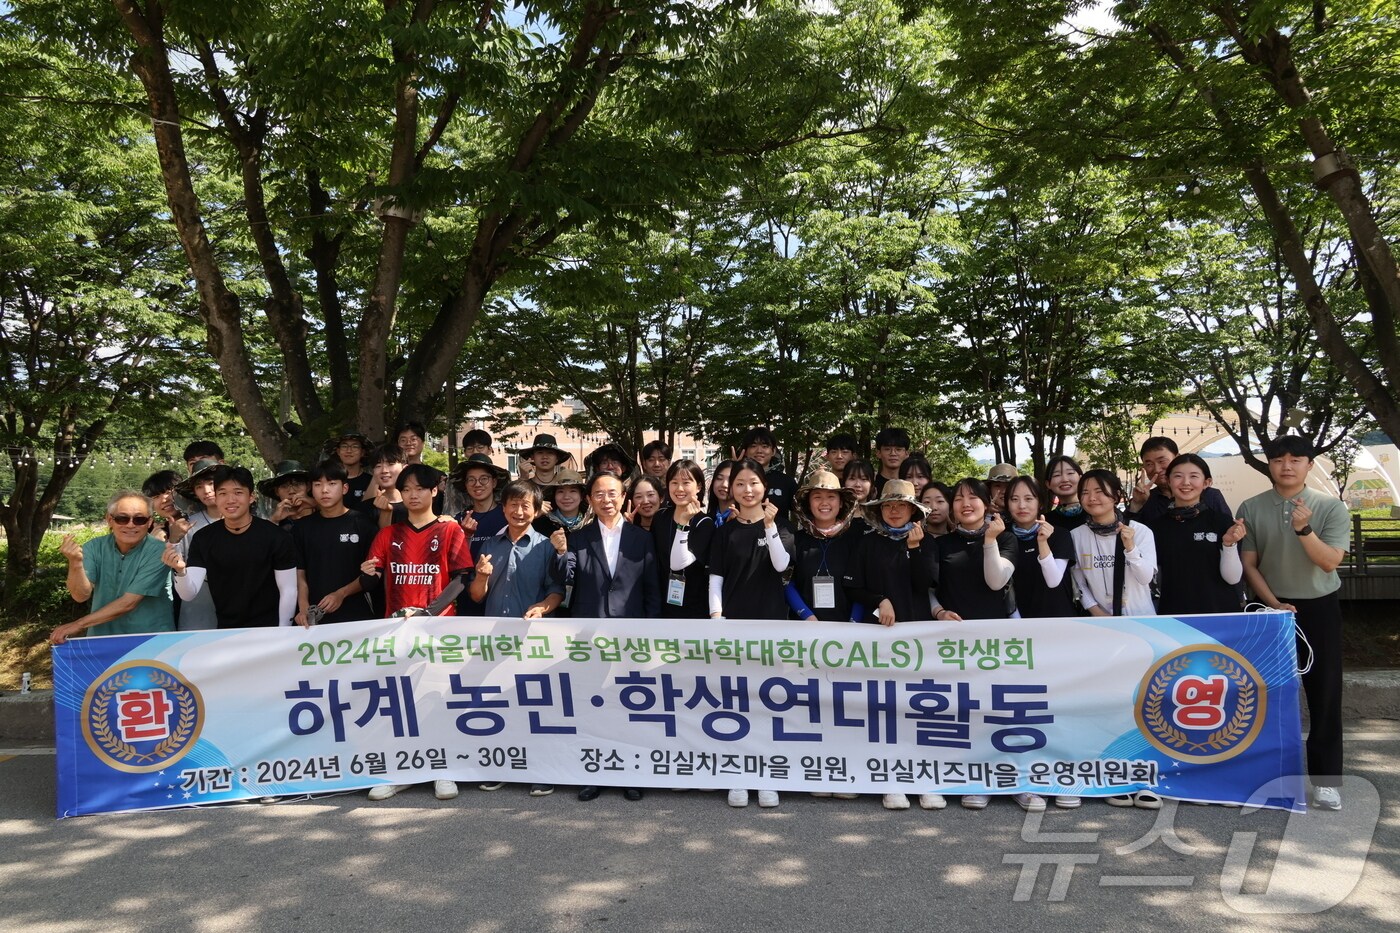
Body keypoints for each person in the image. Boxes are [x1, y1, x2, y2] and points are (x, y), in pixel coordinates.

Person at [1237, 436, 1349, 811]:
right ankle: (1265, 776)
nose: (1287, 465)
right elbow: (1249, 563)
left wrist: (1304, 529)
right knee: (1264, 695)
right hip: (1270, 608)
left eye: (1296, 459)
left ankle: (1327, 781)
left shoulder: (1330, 507)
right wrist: (1273, 603)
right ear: (1269, 465)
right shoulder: (1251, 507)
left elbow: (1330, 562)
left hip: (1318, 606)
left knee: (1325, 693)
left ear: (1309, 465)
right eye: (1279, 459)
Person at [359, 462, 472, 803]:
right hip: (397, 629)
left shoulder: (450, 531)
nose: (412, 495)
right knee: (400, 702)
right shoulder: (388, 534)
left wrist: (429, 612)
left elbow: (461, 578)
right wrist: (367, 574)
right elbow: (371, 579)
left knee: (437, 700)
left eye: (419, 488)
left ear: (434, 491)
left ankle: (443, 769)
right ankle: (401, 771)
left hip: (440, 630)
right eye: (405, 489)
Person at [552, 471, 660, 803]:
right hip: (589, 632)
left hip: (631, 634)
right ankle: (593, 773)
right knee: (593, 705)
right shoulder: (579, 537)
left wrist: (651, 634)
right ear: (590, 499)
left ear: (624, 496)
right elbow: (565, 578)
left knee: (629, 706)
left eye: (612, 493)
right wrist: (559, 554)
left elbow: (652, 591)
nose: (606, 499)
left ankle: (631, 773)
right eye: (599, 494)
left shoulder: (641, 538)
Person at [1066, 469, 1160, 811]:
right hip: (1101, 630)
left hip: (1140, 626)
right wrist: (1096, 613)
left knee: (1142, 701)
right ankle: (1113, 775)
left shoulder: (1141, 531)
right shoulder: (1076, 535)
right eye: (1086, 492)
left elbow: (1145, 576)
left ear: (1117, 495)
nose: (1092, 498)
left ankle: (1147, 778)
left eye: (1100, 491)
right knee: (1108, 703)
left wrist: (1131, 548)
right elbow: (1077, 580)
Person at [848, 479, 942, 811]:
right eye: (889, 505)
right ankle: (891, 781)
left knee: (919, 709)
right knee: (885, 710)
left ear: (913, 510)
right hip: (879, 637)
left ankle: (924, 779)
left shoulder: (926, 541)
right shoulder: (867, 543)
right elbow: (854, 587)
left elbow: (926, 584)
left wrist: (916, 551)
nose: (894, 511)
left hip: (918, 638)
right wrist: (880, 601)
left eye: (901, 505)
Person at [706, 458, 794, 809]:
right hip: (733, 627)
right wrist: (716, 615)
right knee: (735, 703)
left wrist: (770, 527)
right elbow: (716, 577)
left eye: (753, 483)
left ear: (764, 487)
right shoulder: (725, 529)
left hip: (771, 624)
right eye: (739, 483)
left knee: (768, 703)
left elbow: (782, 565)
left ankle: (768, 776)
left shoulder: (782, 525)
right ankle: (738, 775)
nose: (747, 489)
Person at [470, 479, 566, 798]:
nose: (519, 510)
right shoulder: (490, 546)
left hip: (532, 639)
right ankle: (503, 767)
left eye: (526, 505)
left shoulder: (545, 547)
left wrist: (542, 607)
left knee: (535, 705)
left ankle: (541, 770)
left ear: (536, 510)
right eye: (513, 504)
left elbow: (557, 590)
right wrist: (482, 577)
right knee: (500, 704)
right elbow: (476, 596)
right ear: (503, 508)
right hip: (494, 638)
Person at [163, 466, 301, 630]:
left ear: (251, 497)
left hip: (269, 630)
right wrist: (180, 571)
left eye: (238, 492)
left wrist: (283, 630)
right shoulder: (203, 538)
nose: (230, 500)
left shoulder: (276, 537)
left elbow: (289, 590)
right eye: (222, 493)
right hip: (226, 630)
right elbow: (189, 593)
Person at [51, 490, 174, 643]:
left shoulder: (160, 551)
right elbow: (80, 596)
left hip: (149, 640)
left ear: (149, 522)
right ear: (109, 519)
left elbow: (129, 602)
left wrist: (78, 624)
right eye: (122, 518)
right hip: (102, 639)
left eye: (139, 519)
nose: (130, 525)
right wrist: (75, 563)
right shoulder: (93, 547)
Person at [1148, 454, 1245, 615]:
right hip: (1174, 616)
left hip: (1220, 613)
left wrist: (1229, 544)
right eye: (1178, 476)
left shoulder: (1223, 522)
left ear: (1207, 482)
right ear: (1169, 481)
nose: (1186, 482)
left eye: (1194, 476)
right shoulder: (1156, 527)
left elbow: (1233, 578)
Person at [291, 461, 380, 625]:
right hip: (312, 618)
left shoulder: (363, 524)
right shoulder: (302, 527)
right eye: (318, 484)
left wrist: (342, 593)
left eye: (332, 484)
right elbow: (300, 572)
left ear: (344, 488)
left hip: (356, 617)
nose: (324, 490)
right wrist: (303, 607)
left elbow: (373, 573)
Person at [785, 470, 862, 625]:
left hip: (848, 632)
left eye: (831, 497)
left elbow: (861, 587)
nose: (824, 502)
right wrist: (807, 616)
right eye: (817, 497)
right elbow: (787, 584)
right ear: (808, 503)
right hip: (804, 630)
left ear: (841, 503)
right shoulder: (795, 540)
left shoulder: (855, 541)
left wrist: (854, 624)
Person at [1004, 476, 1076, 620]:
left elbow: (1053, 580)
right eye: (1014, 499)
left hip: (1061, 621)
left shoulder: (1060, 534)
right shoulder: (1002, 537)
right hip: (1020, 626)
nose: (1022, 505)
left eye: (1029, 499)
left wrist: (1043, 542)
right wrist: (1018, 623)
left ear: (1040, 503)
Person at [653, 459, 714, 619]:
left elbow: (678, 564)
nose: (679, 489)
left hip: (694, 606)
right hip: (661, 602)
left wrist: (683, 524)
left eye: (686, 483)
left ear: (699, 486)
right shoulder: (660, 516)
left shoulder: (704, 523)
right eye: (674, 483)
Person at [450, 454, 510, 615]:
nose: (478, 484)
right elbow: (452, 562)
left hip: (502, 596)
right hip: (467, 597)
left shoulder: (508, 516)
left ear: (494, 482)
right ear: (465, 484)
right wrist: (465, 535)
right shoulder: (458, 519)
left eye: (484, 479)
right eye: (471, 480)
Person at [168, 458, 221, 631]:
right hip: (198, 602)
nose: (206, 491)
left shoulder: (249, 521)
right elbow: (176, 563)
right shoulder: (187, 525)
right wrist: (173, 539)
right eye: (199, 486)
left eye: (211, 483)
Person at [1127, 436, 1232, 524]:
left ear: (1177, 458)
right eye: (1149, 464)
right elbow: (1127, 536)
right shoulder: (1145, 500)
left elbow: (1229, 533)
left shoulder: (1211, 496)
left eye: (1162, 461)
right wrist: (1136, 505)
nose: (1157, 469)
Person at [738, 427, 797, 518]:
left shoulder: (786, 482)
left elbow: (803, 511)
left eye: (765, 446)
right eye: (753, 446)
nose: (759, 450)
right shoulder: (735, 480)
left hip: (779, 531)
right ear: (745, 451)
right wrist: (735, 469)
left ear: (773, 451)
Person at [142, 470, 190, 546]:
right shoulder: (152, 535)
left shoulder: (202, 521)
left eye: (168, 492)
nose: (164, 500)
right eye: (156, 497)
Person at [260, 461, 314, 527]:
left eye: (297, 484)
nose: (291, 491)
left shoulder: (323, 513)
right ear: (277, 491)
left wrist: (317, 505)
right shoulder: (278, 524)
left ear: (308, 487)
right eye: (284, 486)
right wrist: (274, 520)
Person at [327, 433, 374, 510]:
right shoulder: (329, 480)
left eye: (355, 446)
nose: (349, 450)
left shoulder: (372, 481)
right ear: (338, 451)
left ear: (362, 452)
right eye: (344, 446)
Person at [367, 445, 409, 525]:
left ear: (405, 468)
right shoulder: (362, 510)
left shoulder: (415, 505)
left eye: (390, 464)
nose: (384, 470)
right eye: (378, 466)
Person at [1043, 456, 1087, 531]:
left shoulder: (1095, 514)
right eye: (1057, 475)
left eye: (1070, 473)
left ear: (1080, 478)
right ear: (1048, 484)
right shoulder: (1045, 523)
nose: (1064, 479)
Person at [872, 427, 911, 495]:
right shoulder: (871, 486)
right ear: (878, 453)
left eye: (898, 449)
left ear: (907, 454)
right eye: (887, 449)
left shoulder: (910, 485)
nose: (893, 453)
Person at [842, 460, 877, 524]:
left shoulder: (879, 518)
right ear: (844, 482)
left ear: (871, 484)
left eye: (864, 479)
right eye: (852, 478)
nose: (857, 484)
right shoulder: (834, 517)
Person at [707, 459, 736, 526]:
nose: (724, 484)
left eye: (731, 480)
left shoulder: (743, 519)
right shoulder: (706, 520)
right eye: (719, 478)